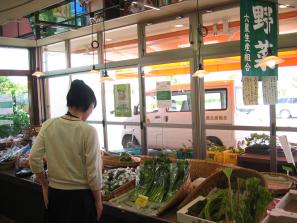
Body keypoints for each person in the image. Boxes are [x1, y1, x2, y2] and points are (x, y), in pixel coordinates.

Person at [29, 80, 102, 223]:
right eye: (92, 107)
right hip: (81, 199)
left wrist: (45, 185)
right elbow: (93, 172)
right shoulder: (88, 131)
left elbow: (33, 158)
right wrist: (98, 201)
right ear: (88, 105)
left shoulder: (49, 125)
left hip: (56, 195)